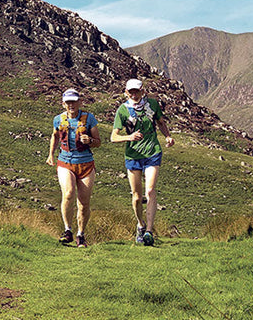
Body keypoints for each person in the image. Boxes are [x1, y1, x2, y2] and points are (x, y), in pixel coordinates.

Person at [109, 78, 173, 246]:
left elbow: (160, 122)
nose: (134, 94)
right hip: (133, 156)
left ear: (143, 91)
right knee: (137, 197)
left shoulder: (152, 104)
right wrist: (129, 137)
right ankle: (140, 224)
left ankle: (149, 232)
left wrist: (167, 136)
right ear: (126, 93)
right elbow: (113, 137)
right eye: (131, 92)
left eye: (137, 91)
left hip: (153, 152)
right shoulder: (122, 111)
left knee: (150, 190)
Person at [50, 88, 100, 248]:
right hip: (65, 161)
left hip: (86, 163)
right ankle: (67, 230)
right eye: (68, 102)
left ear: (80, 102)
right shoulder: (58, 119)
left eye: (74, 101)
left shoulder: (89, 119)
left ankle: (81, 235)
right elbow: (55, 136)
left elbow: (98, 141)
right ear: (63, 103)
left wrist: (90, 140)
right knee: (69, 193)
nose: (71, 104)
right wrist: (51, 154)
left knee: (84, 202)